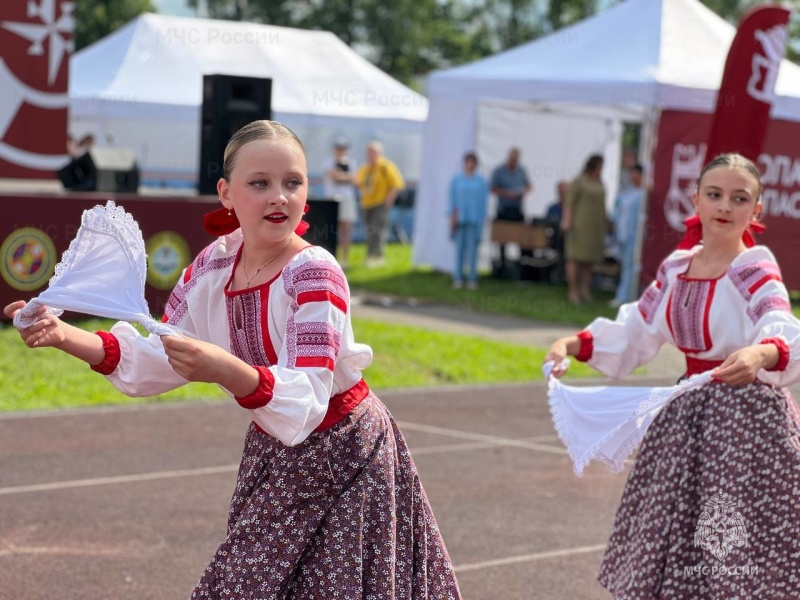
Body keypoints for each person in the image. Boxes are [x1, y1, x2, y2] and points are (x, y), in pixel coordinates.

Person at [5, 120, 462, 599]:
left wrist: (219, 366)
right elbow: (158, 357)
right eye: (259, 183)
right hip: (275, 451)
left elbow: (306, 398)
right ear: (226, 193)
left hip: (345, 454)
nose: (279, 197)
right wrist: (62, 335)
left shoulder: (315, 272)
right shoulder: (213, 265)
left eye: (293, 183)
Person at [545, 153, 800, 599]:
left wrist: (761, 353)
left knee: (735, 540)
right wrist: (573, 344)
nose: (725, 206)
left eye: (739, 198)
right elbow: (637, 330)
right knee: (674, 530)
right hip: (686, 418)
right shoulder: (677, 268)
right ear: (696, 200)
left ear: (755, 210)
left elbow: (779, 322)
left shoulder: (755, 268)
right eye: (715, 194)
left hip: (747, 427)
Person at [561, 154, 607, 305]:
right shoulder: (579, 181)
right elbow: (570, 203)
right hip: (579, 226)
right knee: (575, 258)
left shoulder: (600, 182)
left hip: (595, 228)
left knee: (589, 260)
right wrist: (567, 221)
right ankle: (573, 291)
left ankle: (585, 290)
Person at [355, 141, 405, 268]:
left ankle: (378, 256)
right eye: (369, 153)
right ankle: (370, 255)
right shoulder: (365, 168)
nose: (370, 155)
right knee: (370, 230)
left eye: (373, 152)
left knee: (378, 230)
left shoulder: (386, 166)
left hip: (380, 203)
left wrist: (389, 199)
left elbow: (397, 184)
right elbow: (357, 181)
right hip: (367, 204)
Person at [448, 151, 489, 290]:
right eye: (468, 162)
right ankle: (458, 277)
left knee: (472, 250)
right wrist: (451, 216)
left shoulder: (481, 181)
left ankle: (472, 277)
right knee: (459, 249)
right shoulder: (457, 180)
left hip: (474, 219)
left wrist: (483, 218)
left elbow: (483, 202)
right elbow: (451, 199)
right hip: (460, 219)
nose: (470, 165)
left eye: (473, 162)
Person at [490, 147, 532, 275]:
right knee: (502, 240)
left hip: (517, 210)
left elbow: (529, 186)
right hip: (503, 210)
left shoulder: (522, 171)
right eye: (511, 159)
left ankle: (523, 269)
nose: (513, 162)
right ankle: (502, 267)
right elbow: (493, 188)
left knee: (522, 238)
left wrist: (522, 192)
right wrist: (507, 194)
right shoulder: (499, 171)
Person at [609, 164, 645, 308]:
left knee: (631, 266)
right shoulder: (626, 192)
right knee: (625, 266)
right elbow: (617, 210)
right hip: (622, 233)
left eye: (636, 174)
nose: (633, 177)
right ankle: (625, 294)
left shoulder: (643, 193)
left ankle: (624, 296)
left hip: (634, 235)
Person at [322, 137, 357, 269]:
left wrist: (343, 176)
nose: (341, 151)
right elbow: (335, 176)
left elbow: (354, 180)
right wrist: (346, 176)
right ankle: (331, 257)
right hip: (332, 199)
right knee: (331, 229)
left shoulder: (350, 162)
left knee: (346, 229)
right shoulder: (329, 161)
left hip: (346, 199)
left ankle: (345, 259)